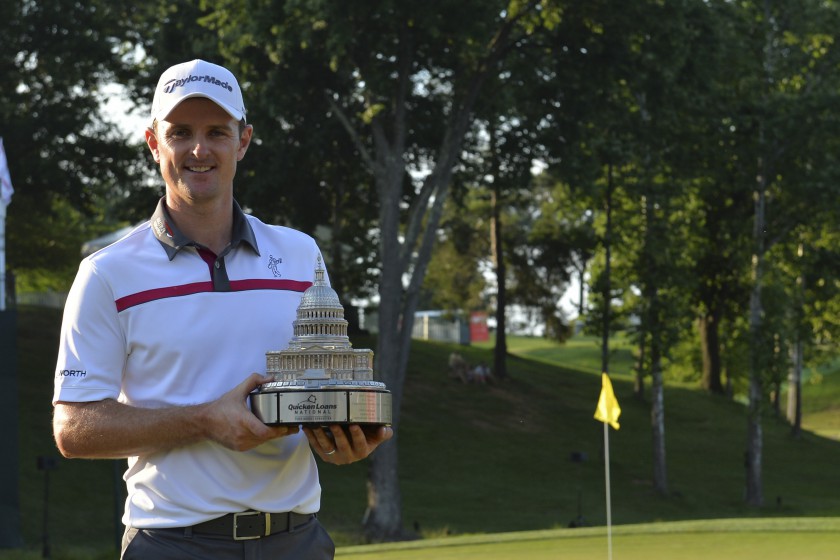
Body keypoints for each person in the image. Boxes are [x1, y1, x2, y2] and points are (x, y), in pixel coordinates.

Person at [51, 59, 393, 560]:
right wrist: (204, 420)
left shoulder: (300, 255)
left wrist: (342, 433)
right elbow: (74, 429)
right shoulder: (106, 273)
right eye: (180, 132)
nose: (199, 149)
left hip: (296, 540)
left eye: (217, 131)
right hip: (172, 542)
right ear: (153, 143)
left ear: (244, 141)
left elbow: (319, 386)